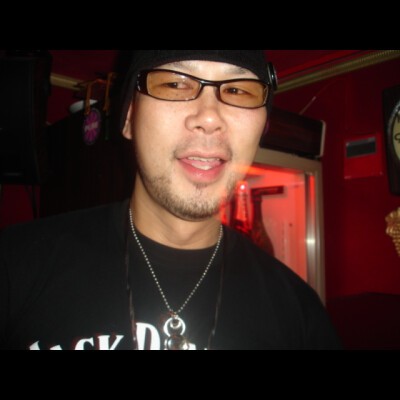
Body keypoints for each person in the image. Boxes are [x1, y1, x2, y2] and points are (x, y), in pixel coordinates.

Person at [0, 50, 341, 350]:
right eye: (175, 84)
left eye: (238, 90)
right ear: (128, 118)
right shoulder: (15, 267)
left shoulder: (299, 313)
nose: (210, 118)